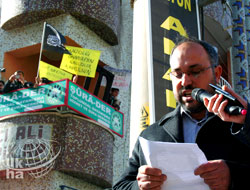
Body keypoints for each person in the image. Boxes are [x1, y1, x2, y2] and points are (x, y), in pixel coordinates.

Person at [112, 37, 250, 190]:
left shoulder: (241, 123)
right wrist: (139, 186)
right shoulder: (151, 135)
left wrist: (234, 177)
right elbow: (120, 187)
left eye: (195, 72)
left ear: (217, 73)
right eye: (178, 74)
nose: (185, 82)